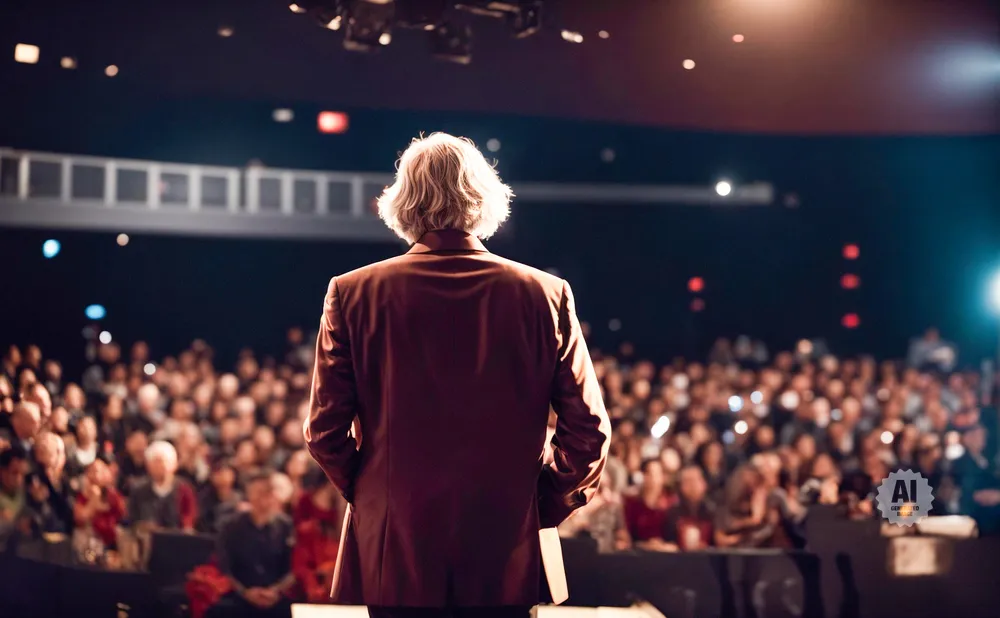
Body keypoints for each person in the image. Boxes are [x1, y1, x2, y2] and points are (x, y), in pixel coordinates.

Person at [304, 133, 611, 617]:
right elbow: (589, 432)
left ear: (403, 203)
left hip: (396, 551)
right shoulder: (545, 294)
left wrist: (379, 495)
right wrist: (537, 505)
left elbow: (324, 432)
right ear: (483, 198)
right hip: (506, 550)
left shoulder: (352, 292)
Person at [211, 471, 296, 618]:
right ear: (249, 495)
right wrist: (245, 592)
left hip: (276, 596)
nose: (263, 499)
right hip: (239, 596)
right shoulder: (231, 526)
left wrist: (276, 590)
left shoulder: (286, 526)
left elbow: (294, 566)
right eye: (258, 493)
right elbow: (224, 566)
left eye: (268, 492)